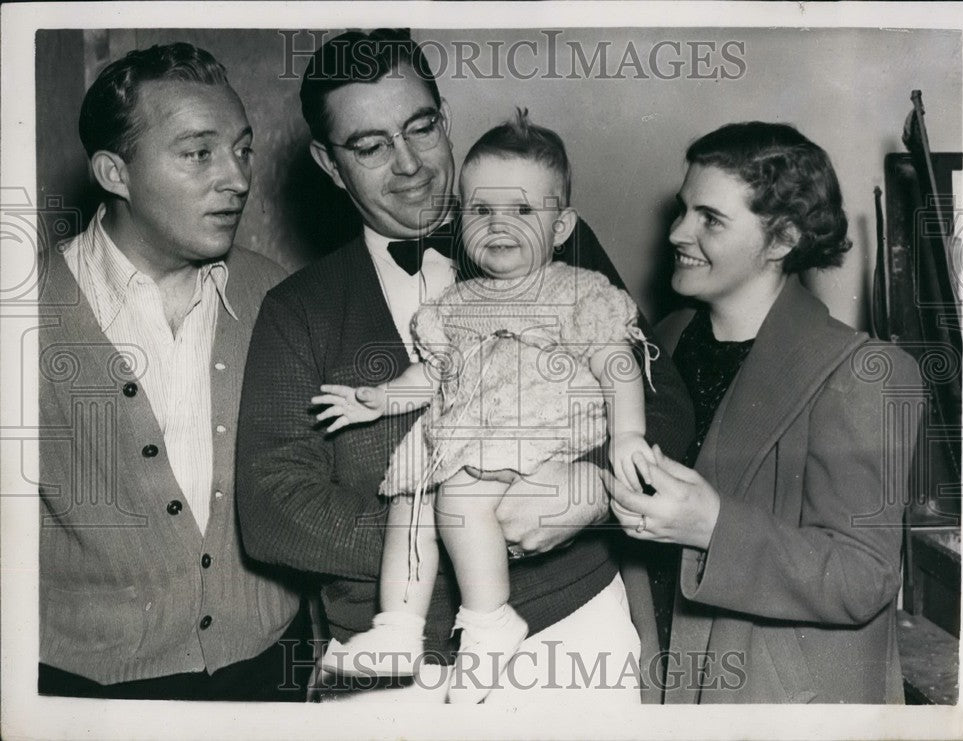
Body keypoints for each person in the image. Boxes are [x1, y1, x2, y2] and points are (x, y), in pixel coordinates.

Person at [235, 29, 693, 704]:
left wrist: (594, 489)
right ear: (329, 165)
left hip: (572, 636)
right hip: (393, 668)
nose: (410, 164)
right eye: (370, 146)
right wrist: (455, 530)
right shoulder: (297, 309)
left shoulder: (548, 244)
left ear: (445, 121)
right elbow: (274, 508)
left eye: (420, 128)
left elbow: (666, 407)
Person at [312, 110, 658, 703]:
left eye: (522, 211)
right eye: (480, 210)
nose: (499, 225)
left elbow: (617, 363)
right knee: (411, 501)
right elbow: (438, 372)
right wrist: (380, 399)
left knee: (463, 498)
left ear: (561, 225)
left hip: (536, 427)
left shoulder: (578, 292)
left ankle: (490, 618)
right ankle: (397, 629)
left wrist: (627, 437)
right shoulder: (459, 302)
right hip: (462, 430)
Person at [607, 122, 923, 703]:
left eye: (711, 219)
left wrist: (714, 527)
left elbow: (863, 577)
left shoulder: (865, 373)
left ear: (781, 241)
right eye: (683, 210)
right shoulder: (665, 340)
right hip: (654, 678)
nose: (677, 231)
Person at [37, 43, 308, 701]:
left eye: (242, 150)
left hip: (267, 667)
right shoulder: (26, 311)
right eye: (198, 153)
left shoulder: (280, 298)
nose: (237, 178)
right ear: (114, 172)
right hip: (85, 685)